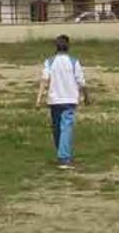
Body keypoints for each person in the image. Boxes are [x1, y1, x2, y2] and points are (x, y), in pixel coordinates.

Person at [36, 35, 89, 170]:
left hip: (54, 99)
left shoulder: (50, 62)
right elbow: (81, 82)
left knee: (58, 127)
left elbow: (44, 80)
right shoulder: (73, 62)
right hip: (69, 99)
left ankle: (62, 153)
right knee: (65, 127)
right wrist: (86, 97)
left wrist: (39, 98)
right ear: (68, 46)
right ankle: (64, 158)